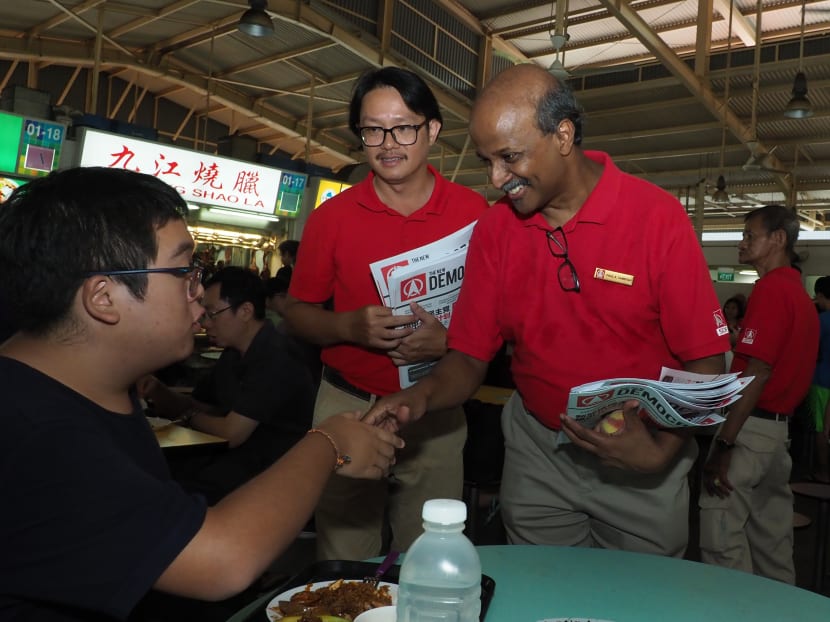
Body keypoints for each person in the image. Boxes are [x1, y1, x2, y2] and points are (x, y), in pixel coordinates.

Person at [0, 166, 403, 620]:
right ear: (103, 297)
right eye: (184, 271)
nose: (197, 293)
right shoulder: (33, 433)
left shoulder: (87, 386)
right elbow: (220, 560)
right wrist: (330, 443)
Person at [365, 63, 730, 557]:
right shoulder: (497, 231)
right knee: (542, 593)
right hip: (538, 451)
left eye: (509, 157)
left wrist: (661, 452)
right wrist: (419, 400)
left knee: (638, 600)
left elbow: (707, 365)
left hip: (638, 458)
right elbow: (469, 356)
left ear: (563, 136)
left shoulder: (655, 219)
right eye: (487, 160)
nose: (497, 179)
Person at [282, 67, 488, 560]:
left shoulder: (475, 213)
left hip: (434, 408)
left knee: (429, 552)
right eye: (372, 130)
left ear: (432, 130)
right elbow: (296, 313)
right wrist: (347, 326)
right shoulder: (332, 218)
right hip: (346, 404)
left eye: (403, 127)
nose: (388, 143)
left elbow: (495, 318)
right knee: (344, 554)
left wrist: (451, 341)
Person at [699, 205, 819, 584]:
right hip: (778, 436)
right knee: (773, 546)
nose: (742, 242)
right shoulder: (800, 296)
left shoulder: (771, 289)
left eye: (751, 235)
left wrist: (725, 444)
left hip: (749, 431)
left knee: (723, 541)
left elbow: (758, 371)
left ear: (778, 239)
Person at [140, 266, 315, 504]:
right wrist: (164, 395)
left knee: (168, 483)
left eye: (212, 314)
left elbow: (232, 433)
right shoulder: (233, 353)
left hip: (268, 471)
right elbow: (207, 406)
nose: (205, 324)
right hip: (237, 458)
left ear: (245, 311)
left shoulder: (276, 357)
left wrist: (187, 413)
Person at [807, 276, 830, 482]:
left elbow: (812, 350)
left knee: (822, 428)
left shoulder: (822, 321)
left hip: (823, 381)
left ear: (821, 295)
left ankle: (823, 472)